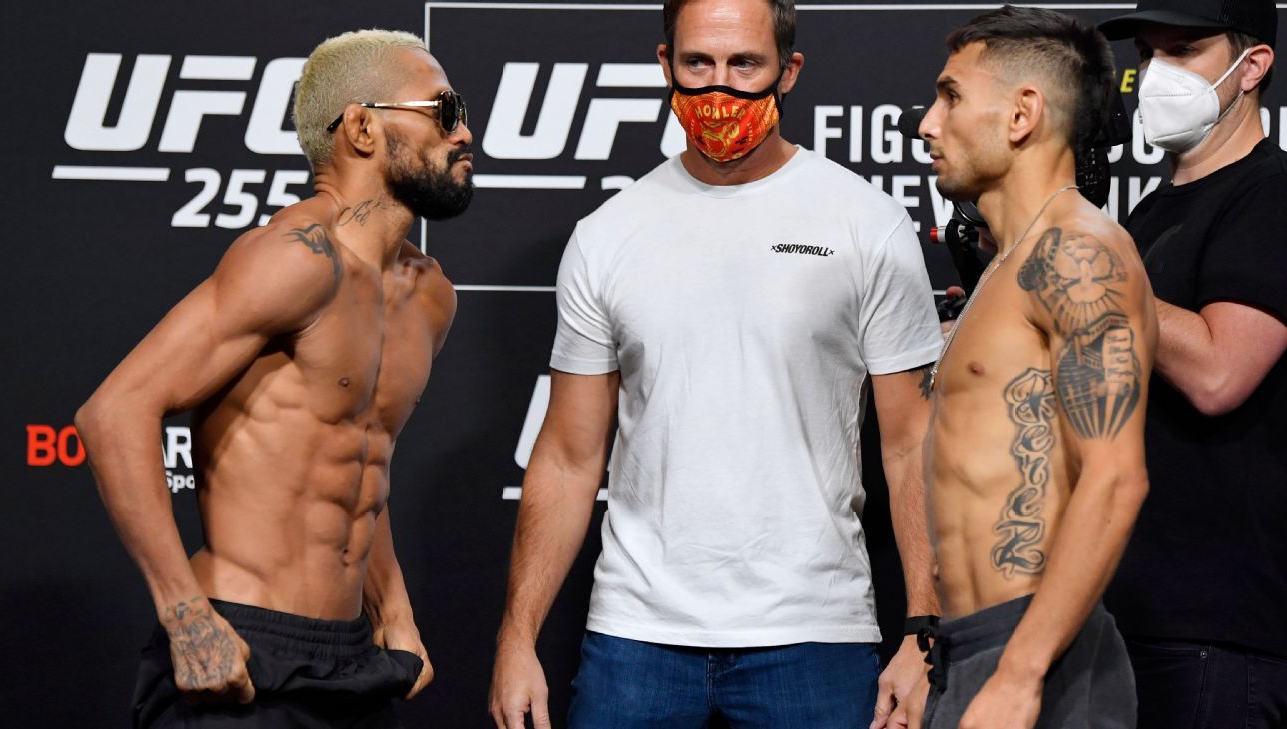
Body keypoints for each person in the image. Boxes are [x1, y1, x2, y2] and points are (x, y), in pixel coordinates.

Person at [487, 0, 945, 726]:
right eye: (698, 62)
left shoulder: (866, 223)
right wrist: (517, 637)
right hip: (635, 635)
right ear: (665, 64)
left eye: (745, 64)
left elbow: (913, 441)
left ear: (788, 71)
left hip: (813, 631)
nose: (719, 87)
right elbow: (569, 457)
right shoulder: (608, 236)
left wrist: (924, 629)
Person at [74, 28, 474, 728]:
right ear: (362, 127)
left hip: (354, 657)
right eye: (444, 110)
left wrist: (396, 612)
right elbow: (114, 412)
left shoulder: (430, 297)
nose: (464, 132)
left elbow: (357, 459)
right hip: (241, 648)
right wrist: (186, 617)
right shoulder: (296, 259)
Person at [902, 6, 1158, 728]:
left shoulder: (1078, 254)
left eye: (951, 96)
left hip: (1040, 656)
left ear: (1022, 114)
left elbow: (1115, 477)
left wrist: (1019, 674)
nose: (928, 124)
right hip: (972, 648)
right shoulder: (1007, 265)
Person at [1096, 0, 1287, 724]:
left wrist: (1083, 264)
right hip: (1129, 609)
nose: (1156, 74)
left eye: (1184, 51)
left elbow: (1217, 374)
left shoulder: (1271, 193)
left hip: (1218, 625)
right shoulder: (1151, 214)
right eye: (1149, 53)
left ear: (1252, 66)